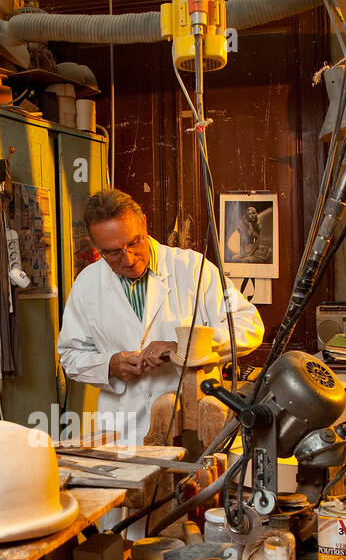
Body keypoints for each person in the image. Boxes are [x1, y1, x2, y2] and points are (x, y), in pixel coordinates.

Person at [58, 188, 264, 446]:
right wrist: (109, 365)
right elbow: (70, 354)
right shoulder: (87, 283)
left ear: (143, 223)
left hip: (193, 430)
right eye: (112, 252)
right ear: (96, 247)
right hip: (124, 432)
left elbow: (250, 325)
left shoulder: (193, 268)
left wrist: (186, 347)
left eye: (134, 242)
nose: (129, 259)